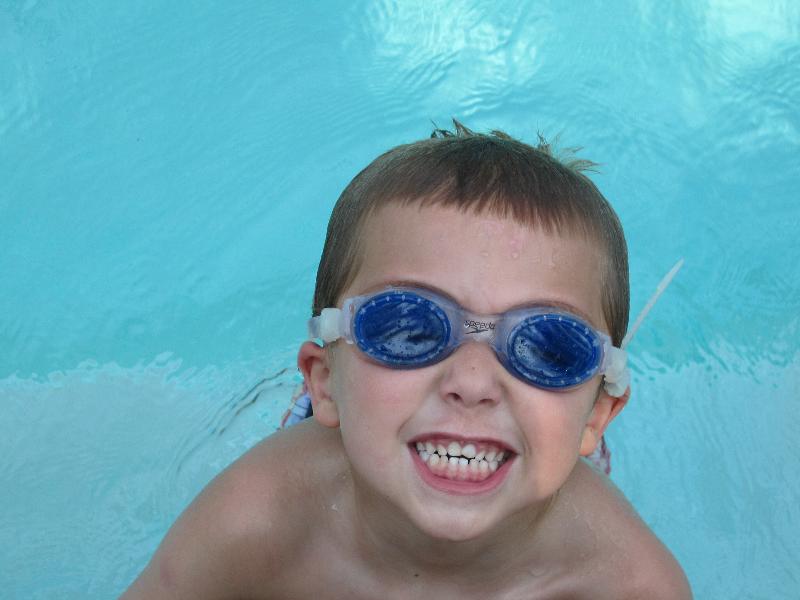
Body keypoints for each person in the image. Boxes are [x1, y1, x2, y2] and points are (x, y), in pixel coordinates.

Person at [121, 121, 692, 599]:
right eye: (409, 327)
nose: (472, 381)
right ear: (324, 382)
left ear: (598, 417)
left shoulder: (625, 582)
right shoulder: (257, 519)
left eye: (548, 347)